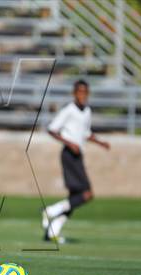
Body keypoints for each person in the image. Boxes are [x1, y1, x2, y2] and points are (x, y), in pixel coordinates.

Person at [42, 79, 110, 243]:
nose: (82, 95)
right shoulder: (69, 110)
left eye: (85, 92)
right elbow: (52, 129)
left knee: (74, 197)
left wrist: (100, 142)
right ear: (74, 93)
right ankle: (50, 210)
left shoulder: (87, 111)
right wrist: (69, 143)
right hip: (69, 155)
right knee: (87, 194)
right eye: (79, 92)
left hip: (78, 155)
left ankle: (52, 232)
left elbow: (86, 133)